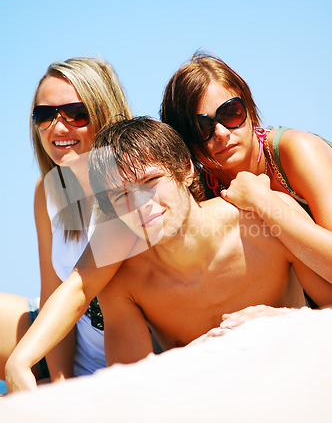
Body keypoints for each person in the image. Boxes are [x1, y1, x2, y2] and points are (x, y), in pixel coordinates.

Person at [6, 117, 332, 391]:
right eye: (121, 196)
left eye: (151, 180)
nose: (141, 204)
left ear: (186, 170)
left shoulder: (263, 224)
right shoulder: (124, 279)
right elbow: (132, 388)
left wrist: (282, 320)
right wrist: (20, 361)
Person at [0, 57, 133, 387]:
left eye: (76, 113)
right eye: (45, 116)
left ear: (105, 112)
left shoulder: (133, 186)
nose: (58, 128)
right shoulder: (50, 190)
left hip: (128, 359)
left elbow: (81, 289)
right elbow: (52, 294)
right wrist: (60, 384)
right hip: (72, 349)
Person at [160, 52, 332, 288]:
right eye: (201, 127)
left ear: (249, 108)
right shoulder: (197, 191)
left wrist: (261, 200)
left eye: (230, 112)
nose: (220, 133)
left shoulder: (297, 150)